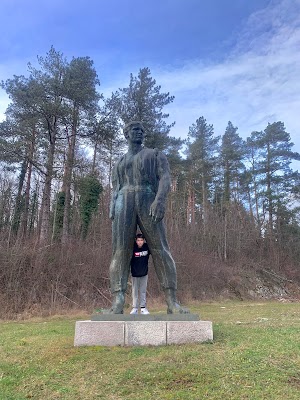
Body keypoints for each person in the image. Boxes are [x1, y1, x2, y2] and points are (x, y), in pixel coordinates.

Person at [109, 121, 188, 314]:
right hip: (123, 201)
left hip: (147, 199)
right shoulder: (119, 162)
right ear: (126, 134)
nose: (139, 132)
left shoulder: (154, 154)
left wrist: (160, 201)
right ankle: (118, 300)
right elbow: (115, 188)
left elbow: (166, 178)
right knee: (120, 251)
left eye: (142, 130)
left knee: (160, 249)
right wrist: (112, 207)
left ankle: (172, 301)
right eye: (135, 129)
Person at [130, 233, 150, 315]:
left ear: (143, 241)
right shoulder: (133, 248)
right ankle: (135, 308)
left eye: (141, 240)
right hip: (135, 274)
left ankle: (143, 308)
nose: (140, 242)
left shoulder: (146, 247)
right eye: (138, 240)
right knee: (134, 292)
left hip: (144, 273)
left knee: (143, 291)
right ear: (136, 241)